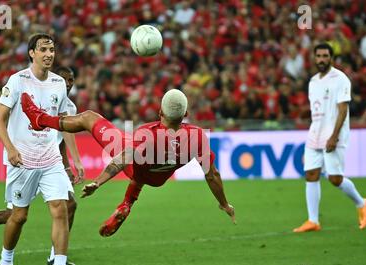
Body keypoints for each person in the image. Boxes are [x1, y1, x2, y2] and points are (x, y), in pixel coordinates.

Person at [20, 88, 236, 237]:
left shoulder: (146, 134)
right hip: (158, 176)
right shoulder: (198, 137)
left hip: (136, 168)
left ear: (160, 111)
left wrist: (99, 181)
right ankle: (126, 203)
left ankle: (40, 120)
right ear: (186, 114)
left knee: (88, 118)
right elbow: (212, 175)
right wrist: (224, 204)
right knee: (145, 168)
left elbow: (123, 159)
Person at [0, 67, 83, 265]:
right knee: (15, 215)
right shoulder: (32, 90)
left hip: (49, 162)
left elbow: (58, 139)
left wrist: (68, 166)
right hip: (24, 160)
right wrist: (11, 149)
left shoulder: (69, 106)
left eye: (72, 79)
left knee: (69, 205)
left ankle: (55, 257)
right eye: (65, 79)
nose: (69, 83)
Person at [0, 33, 75, 265]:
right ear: (32, 53)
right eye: (43, 50)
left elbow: (62, 122)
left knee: (61, 208)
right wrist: (11, 149)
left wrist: (74, 159)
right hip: (23, 160)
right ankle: (5, 263)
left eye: (52, 49)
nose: (49, 54)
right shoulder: (17, 81)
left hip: (50, 158)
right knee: (19, 216)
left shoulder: (59, 83)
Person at [293, 43, 366, 233]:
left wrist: (334, 136)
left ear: (331, 58)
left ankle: (362, 203)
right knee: (311, 174)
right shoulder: (313, 81)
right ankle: (313, 221)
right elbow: (317, 109)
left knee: (335, 178)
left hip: (333, 135)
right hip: (315, 133)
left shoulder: (340, 79)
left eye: (325, 56)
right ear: (314, 58)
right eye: (318, 56)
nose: (321, 59)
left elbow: (343, 109)